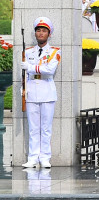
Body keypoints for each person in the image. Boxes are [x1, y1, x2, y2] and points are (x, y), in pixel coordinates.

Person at [21, 17, 60, 168]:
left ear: (49, 34)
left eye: (44, 31)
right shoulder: (28, 52)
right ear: (35, 33)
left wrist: (31, 68)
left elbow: (49, 70)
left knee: (46, 128)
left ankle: (44, 157)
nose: (41, 33)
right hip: (31, 91)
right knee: (33, 128)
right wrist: (23, 88)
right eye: (38, 30)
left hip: (47, 92)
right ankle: (32, 157)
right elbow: (24, 74)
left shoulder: (55, 51)